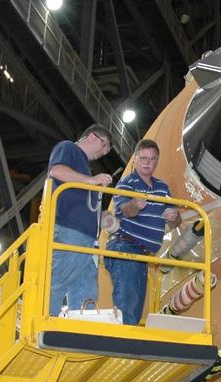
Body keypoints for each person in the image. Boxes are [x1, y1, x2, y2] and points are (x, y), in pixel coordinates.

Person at [105, 139, 180, 325]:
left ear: (157, 162)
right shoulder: (126, 183)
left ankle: (126, 346)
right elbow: (125, 211)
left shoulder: (162, 188)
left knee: (136, 306)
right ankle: (123, 347)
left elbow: (178, 220)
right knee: (127, 304)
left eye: (152, 159)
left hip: (143, 253)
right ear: (136, 159)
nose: (147, 162)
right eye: (144, 158)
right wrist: (135, 205)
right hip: (125, 246)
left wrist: (174, 216)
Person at [46, 125, 113, 314]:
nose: (103, 152)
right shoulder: (68, 148)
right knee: (58, 280)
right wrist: (91, 181)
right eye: (104, 145)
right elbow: (56, 171)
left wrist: (100, 217)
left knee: (87, 291)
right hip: (71, 230)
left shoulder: (84, 168)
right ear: (91, 136)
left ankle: (78, 330)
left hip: (86, 237)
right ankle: (42, 322)